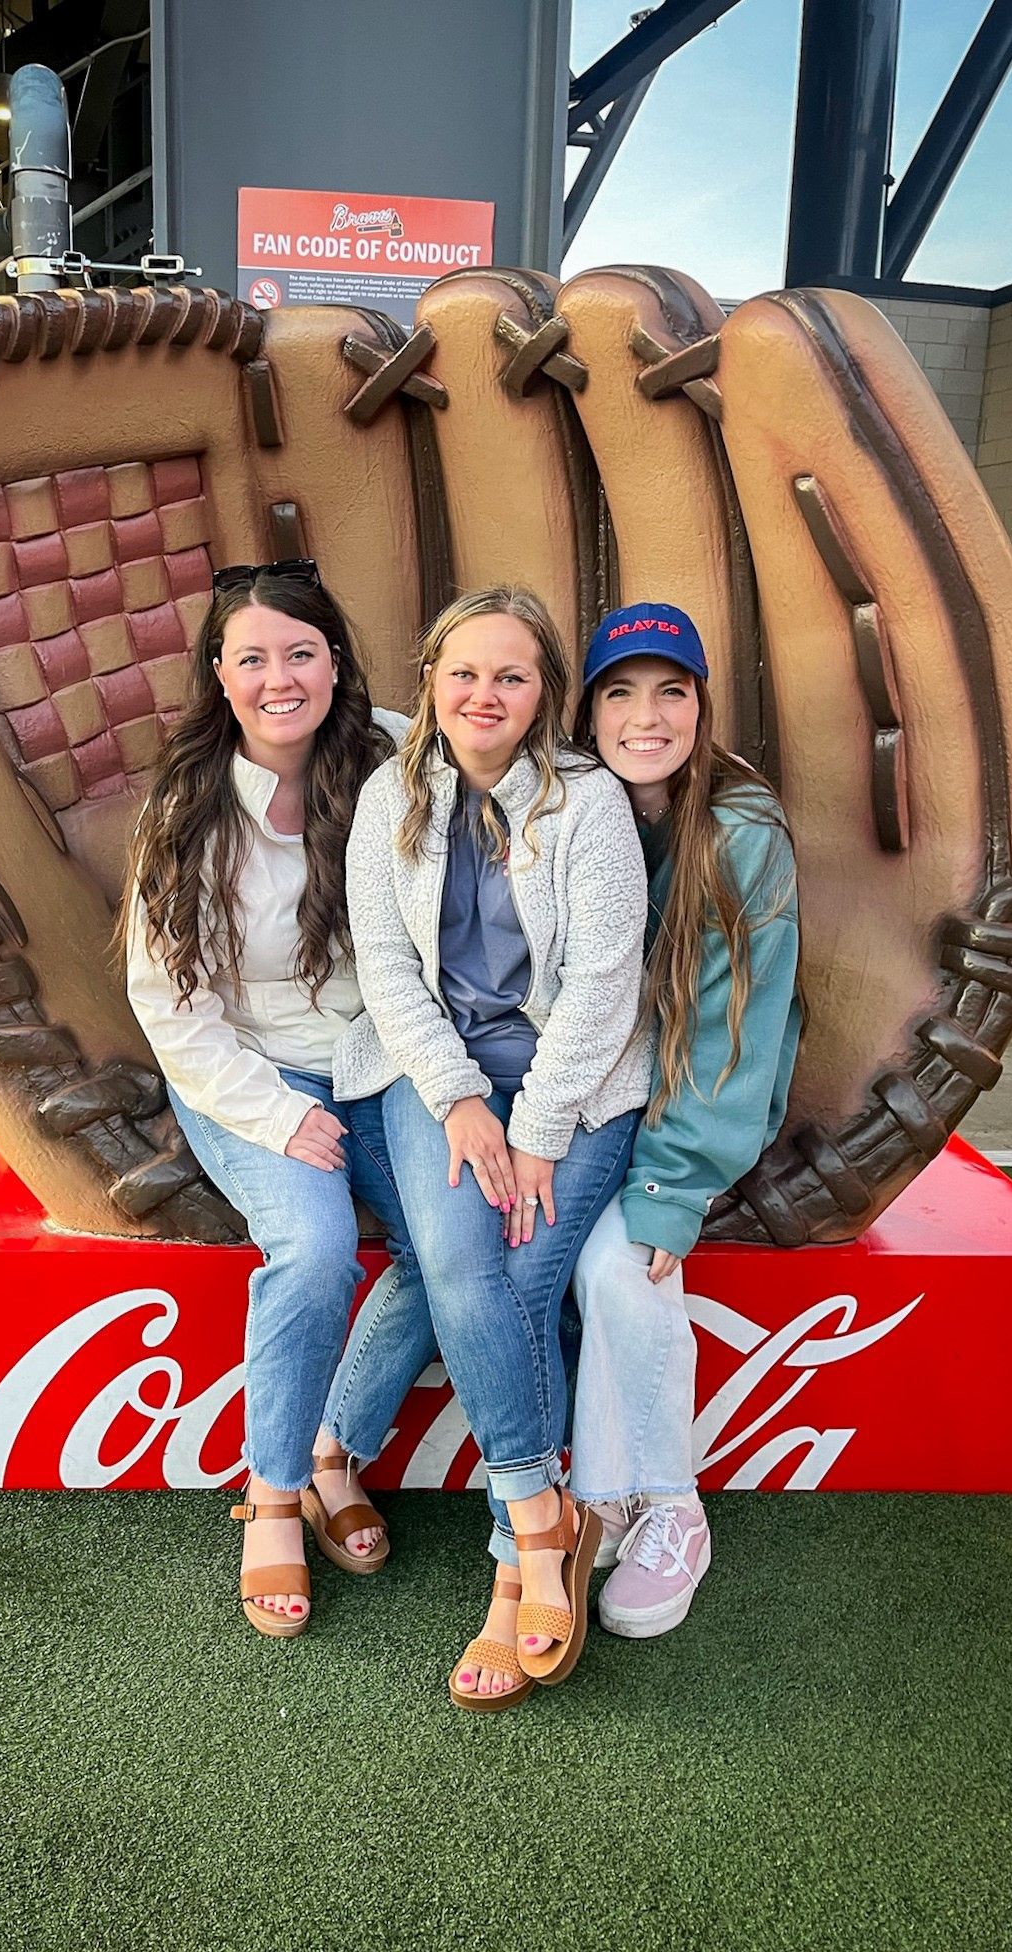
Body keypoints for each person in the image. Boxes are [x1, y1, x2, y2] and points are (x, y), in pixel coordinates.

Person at [328, 586, 650, 1710]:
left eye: (511, 676)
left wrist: (537, 1123)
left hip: (576, 1081)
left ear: (543, 694)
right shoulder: (389, 798)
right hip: (433, 1078)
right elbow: (388, 971)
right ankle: (537, 1518)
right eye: (465, 672)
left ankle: (514, 1577)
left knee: (523, 1272)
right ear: (430, 678)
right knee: (462, 1261)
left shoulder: (588, 803)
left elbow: (607, 983)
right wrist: (464, 1101)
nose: (485, 695)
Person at [123, 558, 423, 1639]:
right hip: (243, 1067)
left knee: (458, 1241)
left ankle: (337, 1446)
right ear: (220, 673)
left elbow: (515, 781)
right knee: (313, 1248)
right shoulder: (187, 802)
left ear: (333, 661)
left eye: (300, 652)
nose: (279, 676)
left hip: (383, 1055)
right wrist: (277, 1111)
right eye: (253, 656)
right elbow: (169, 1001)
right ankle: (275, 1496)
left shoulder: (393, 755)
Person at [566, 601, 801, 1641]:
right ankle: (607, 1489)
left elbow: (731, 1038)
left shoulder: (739, 831)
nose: (646, 714)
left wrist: (672, 1179)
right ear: (588, 711)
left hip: (693, 1116)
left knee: (621, 1263)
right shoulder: (575, 812)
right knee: (568, 1258)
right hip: (596, 1106)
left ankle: (670, 1502)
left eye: (671, 690)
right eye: (620, 690)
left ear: (702, 708)